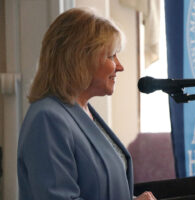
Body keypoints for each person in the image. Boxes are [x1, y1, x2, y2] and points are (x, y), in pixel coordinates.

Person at [17, 7, 156, 200]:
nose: (120, 66)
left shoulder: (81, 111)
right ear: (81, 59)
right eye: (111, 56)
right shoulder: (47, 119)